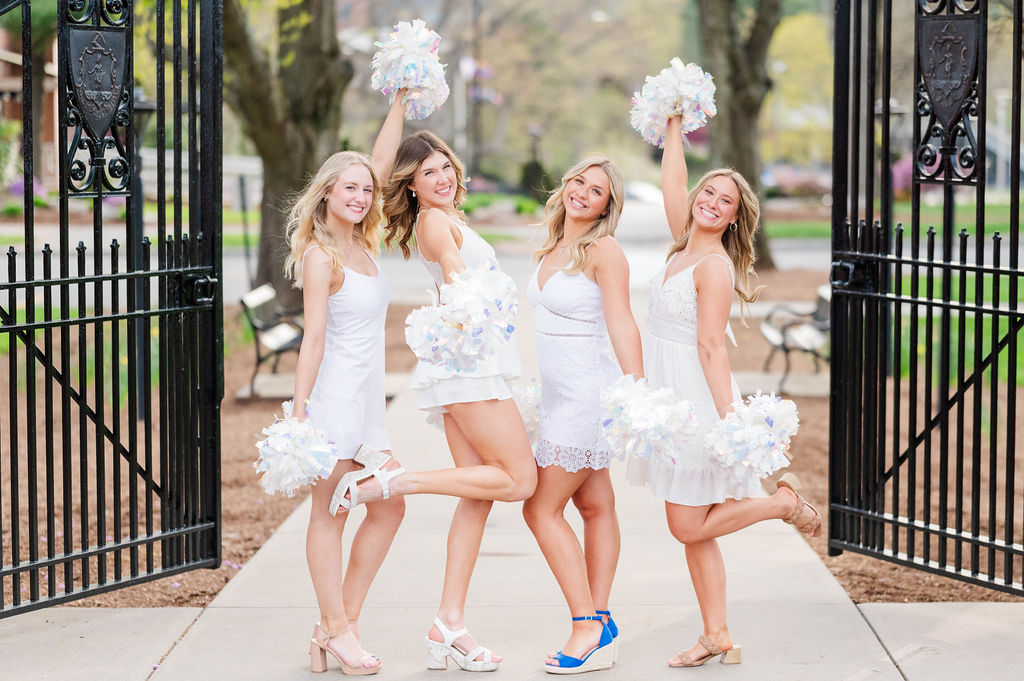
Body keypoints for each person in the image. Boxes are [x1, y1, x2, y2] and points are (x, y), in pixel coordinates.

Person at [330, 92, 537, 673]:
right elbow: (459, 286)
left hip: (467, 365)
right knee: (520, 481)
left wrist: (398, 104)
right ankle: (396, 481)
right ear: (412, 186)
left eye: (445, 165)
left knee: (478, 498)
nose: (442, 177)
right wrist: (469, 295)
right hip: (471, 369)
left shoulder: (445, 217)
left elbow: (378, 169)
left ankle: (449, 623)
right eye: (428, 172)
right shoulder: (436, 224)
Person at [625, 115, 822, 667]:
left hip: (697, 401)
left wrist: (731, 421)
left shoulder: (712, 266)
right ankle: (717, 634)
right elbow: (672, 184)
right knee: (696, 532)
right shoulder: (684, 244)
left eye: (725, 201)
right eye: (707, 192)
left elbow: (712, 346)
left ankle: (781, 504)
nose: (712, 202)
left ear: (737, 218)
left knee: (686, 523)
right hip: (672, 399)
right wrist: (671, 128)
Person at [285, 148, 408, 675]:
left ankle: (337, 625)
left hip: (367, 405)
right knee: (330, 514)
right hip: (335, 401)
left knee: (388, 505)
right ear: (327, 192)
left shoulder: (363, 242)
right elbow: (313, 340)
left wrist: (401, 96)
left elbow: (378, 160)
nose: (359, 197)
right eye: (349, 188)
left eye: (366, 189)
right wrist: (299, 413)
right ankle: (336, 629)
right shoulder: (321, 255)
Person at [520, 157, 642, 674]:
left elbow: (622, 322)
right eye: (579, 182)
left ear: (607, 206)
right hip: (557, 394)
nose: (582, 193)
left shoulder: (603, 251)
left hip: (587, 397)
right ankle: (603, 619)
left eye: (596, 191)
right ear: (566, 183)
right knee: (594, 505)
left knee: (539, 510)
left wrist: (638, 396)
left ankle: (585, 625)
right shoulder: (552, 244)